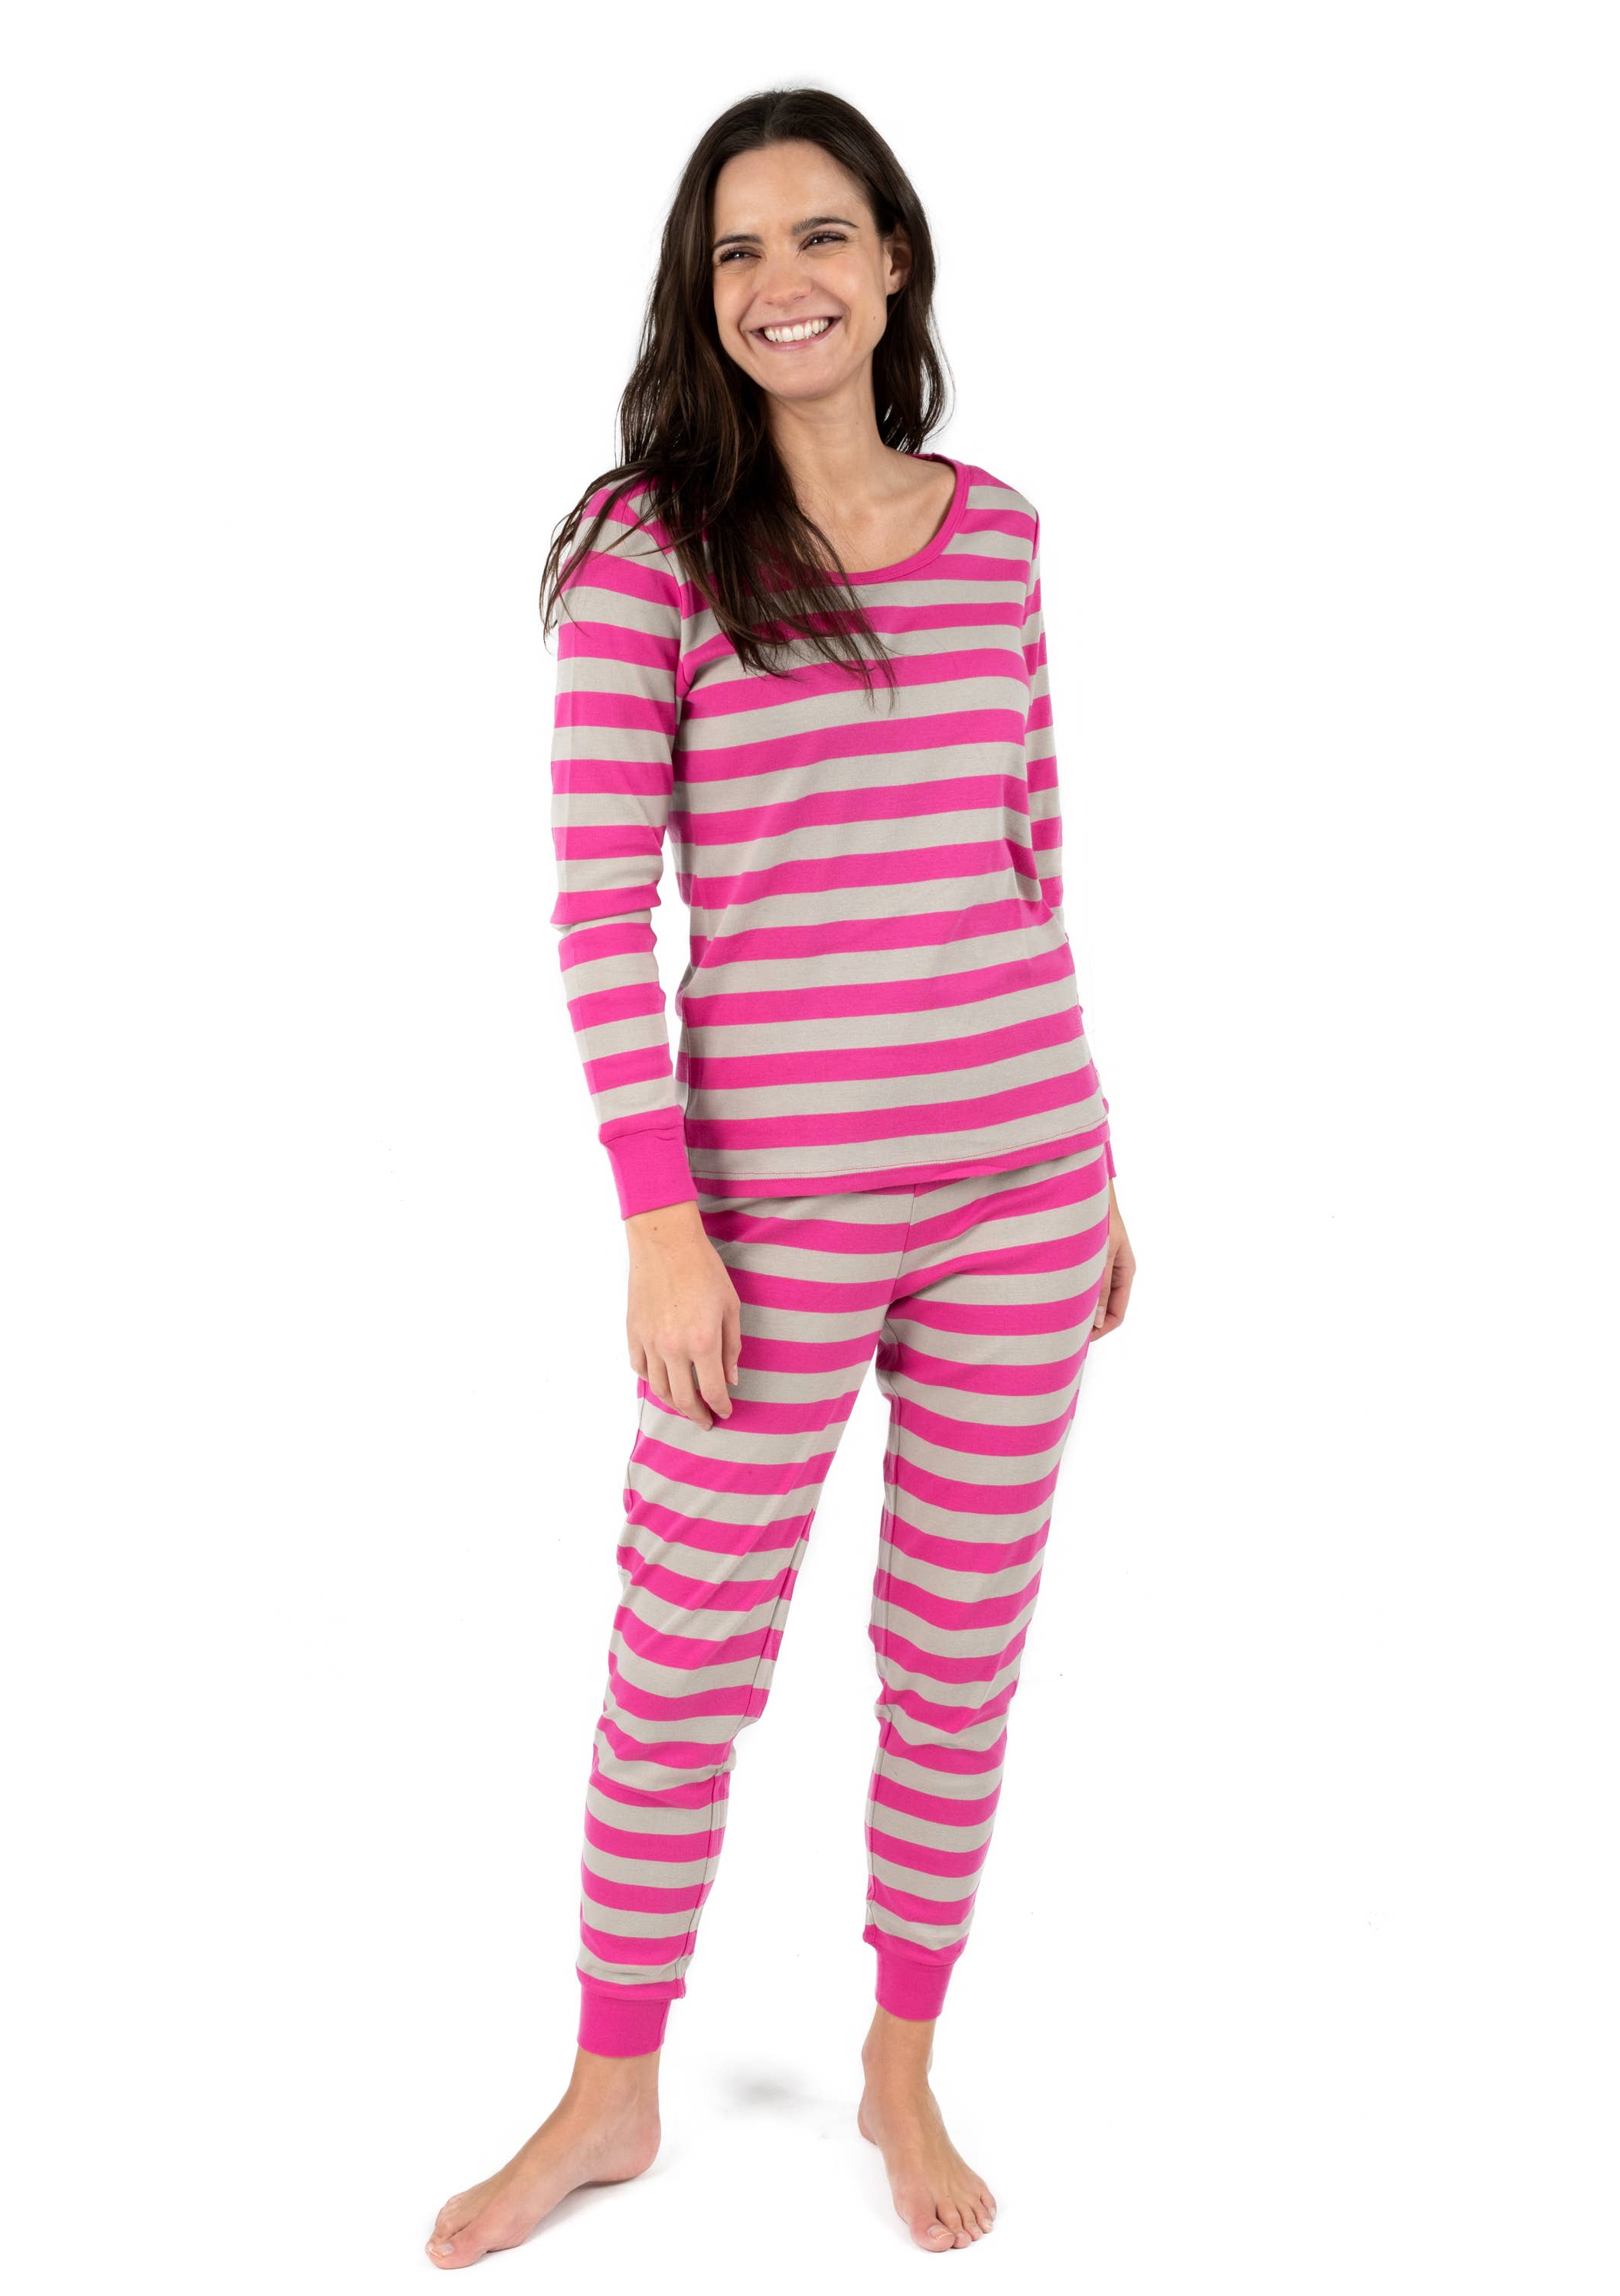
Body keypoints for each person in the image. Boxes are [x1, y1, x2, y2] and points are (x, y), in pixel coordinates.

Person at [428, 85, 1136, 2269]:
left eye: (822, 236)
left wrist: (1102, 1162)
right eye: (737, 252)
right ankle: (612, 2087)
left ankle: (900, 2061)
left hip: (1022, 1177)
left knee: (960, 1643)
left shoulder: (1000, 535)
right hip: (763, 1218)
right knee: (683, 1655)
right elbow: (592, 910)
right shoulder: (646, 549)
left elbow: (1028, 853)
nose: (782, 282)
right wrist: (661, 1221)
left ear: (895, 261)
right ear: (701, 294)